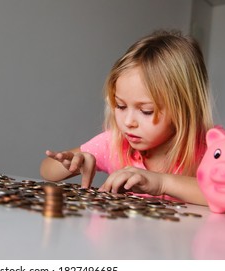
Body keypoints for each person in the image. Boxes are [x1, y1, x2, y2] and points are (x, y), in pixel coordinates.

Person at [40, 30, 214, 205]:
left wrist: (162, 183)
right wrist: (72, 165)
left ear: (184, 108)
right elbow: (46, 170)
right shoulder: (115, 143)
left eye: (146, 111)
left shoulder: (209, 150)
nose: (128, 122)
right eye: (121, 106)